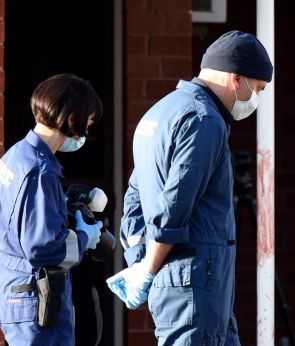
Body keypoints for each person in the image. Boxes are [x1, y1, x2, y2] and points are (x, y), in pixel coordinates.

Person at [107, 30, 273, 345]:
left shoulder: (160, 112)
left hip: (188, 284)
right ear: (236, 79)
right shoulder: (204, 120)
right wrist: (148, 267)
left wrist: (140, 260)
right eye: (258, 88)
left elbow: (134, 197)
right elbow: (176, 203)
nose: (257, 99)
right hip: (195, 282)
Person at [0, 74, 104, 345]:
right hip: (35, 296)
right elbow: (43, 248)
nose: (87, 130)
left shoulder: (14, 156)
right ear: (74, 119)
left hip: (10, 286)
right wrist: (84, 238)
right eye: (89, 121)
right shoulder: (40, 171)